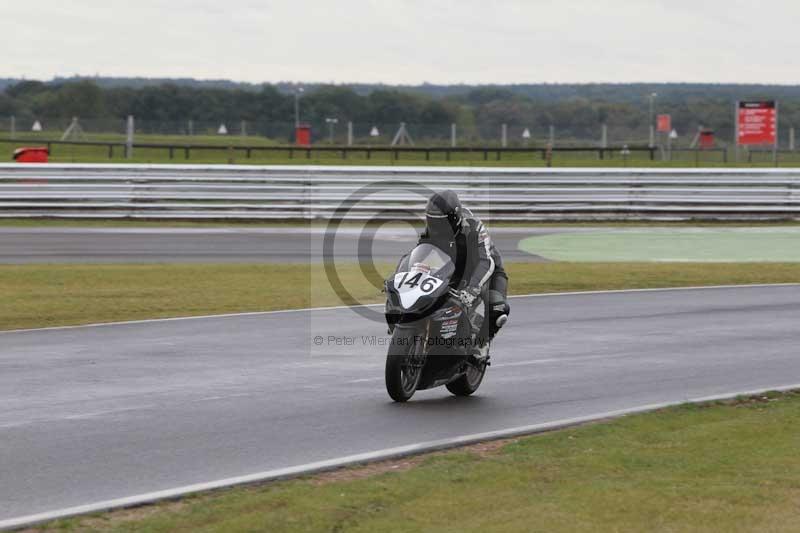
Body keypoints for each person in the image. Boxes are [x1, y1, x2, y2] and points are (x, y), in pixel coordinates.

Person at [418, 189, 509, 360]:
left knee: (498, 308)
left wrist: (473, 288)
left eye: (441, 223)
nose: (436, 228)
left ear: (455, 219)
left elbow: (485, 262)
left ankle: (482, 343)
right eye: (432, 222)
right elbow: (421, 252)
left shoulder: (474, 227)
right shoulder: (433, 229)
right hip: (454, 266)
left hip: (487, 269)